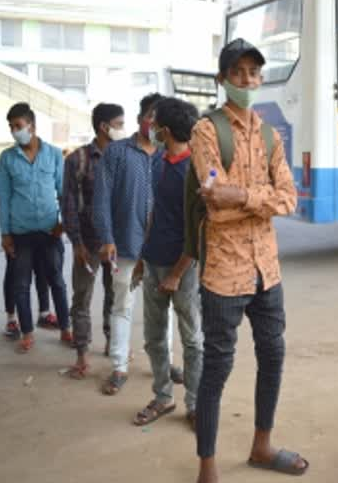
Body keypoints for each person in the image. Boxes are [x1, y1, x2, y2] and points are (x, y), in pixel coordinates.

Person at [190, 38, 307, 482]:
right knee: (217, 367)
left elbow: (289, 199)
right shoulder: (207, 131)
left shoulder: (271, 134)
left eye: (254, 73)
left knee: (272, 356)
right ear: (222, 80)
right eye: (238, 72)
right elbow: (213, 201)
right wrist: (258, 198)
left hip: (267, 270)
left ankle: (261, 445)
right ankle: (207, 466)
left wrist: (241, 194)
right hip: (223, 271)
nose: (248, 80)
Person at [133, 97, 203, 429]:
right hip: (153, 261)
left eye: (155, 123)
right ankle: (163, 396)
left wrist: (177, 273)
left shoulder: (197, 170)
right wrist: (141, 257)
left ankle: (195, 402)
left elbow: (199, 230)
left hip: (183, 269)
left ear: (165, 129)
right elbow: (155, 213)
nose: (151, 128)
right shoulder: (159, 162)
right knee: (154, 336)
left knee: (191, 338)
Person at [93, 93, 163, 395]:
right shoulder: (117, 153)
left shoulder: (167, 155)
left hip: (162, 247)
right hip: (125, 243)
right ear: (139, 119)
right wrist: (107, 238)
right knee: (122, 305)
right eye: (151, 116)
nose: (155, 124)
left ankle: (163, 364)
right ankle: (119, 366)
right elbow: (101, 198)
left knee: (163, 308)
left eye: (161, 120)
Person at [0, 102, 72, 353]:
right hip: (20, 232)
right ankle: (27, 333)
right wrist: (5, 233)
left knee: (57, 281)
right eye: (11, 127)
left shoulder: (52, 154)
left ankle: (65, 329)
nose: (15, 131)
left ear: (32, 126)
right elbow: (4, 198)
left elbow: (64, 193)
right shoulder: (7, 158)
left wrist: (64, 223)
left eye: (18, 126)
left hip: (50, 230)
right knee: (21, 284)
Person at [62, 103, 125, 379]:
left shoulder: (124, 157)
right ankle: (82, 354)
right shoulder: (78, 160)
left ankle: (113, 343)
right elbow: (69, 205)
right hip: (87, 244)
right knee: (82, 299)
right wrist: (76, 243)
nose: (123, 129)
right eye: (119, 124)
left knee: (115, 298)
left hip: (115, 244)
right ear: (104, 126)